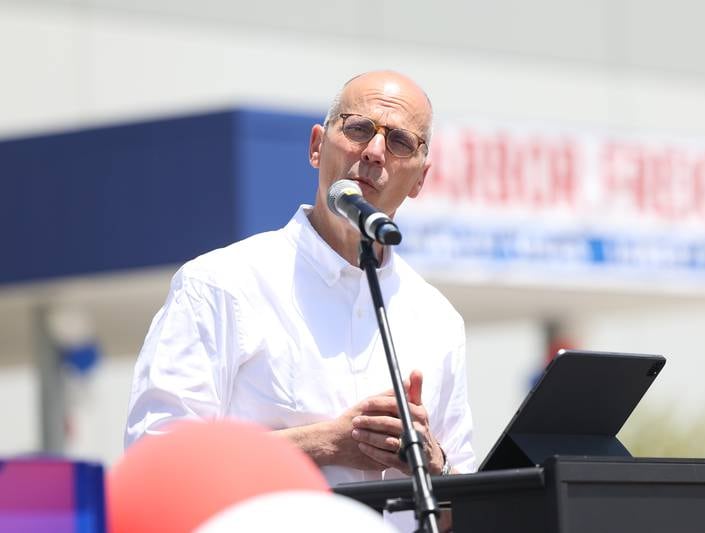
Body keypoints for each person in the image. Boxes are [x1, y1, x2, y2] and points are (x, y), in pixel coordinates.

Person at [125, 71, 475, 488]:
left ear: (420, 179)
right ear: (316, 147)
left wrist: (432, 462)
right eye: (359, 128)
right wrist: (324, 443)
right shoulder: (220, 284)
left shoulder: (437, 319)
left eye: (400, 141)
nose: (376, 151)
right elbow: (156, 464)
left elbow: (467, 503)